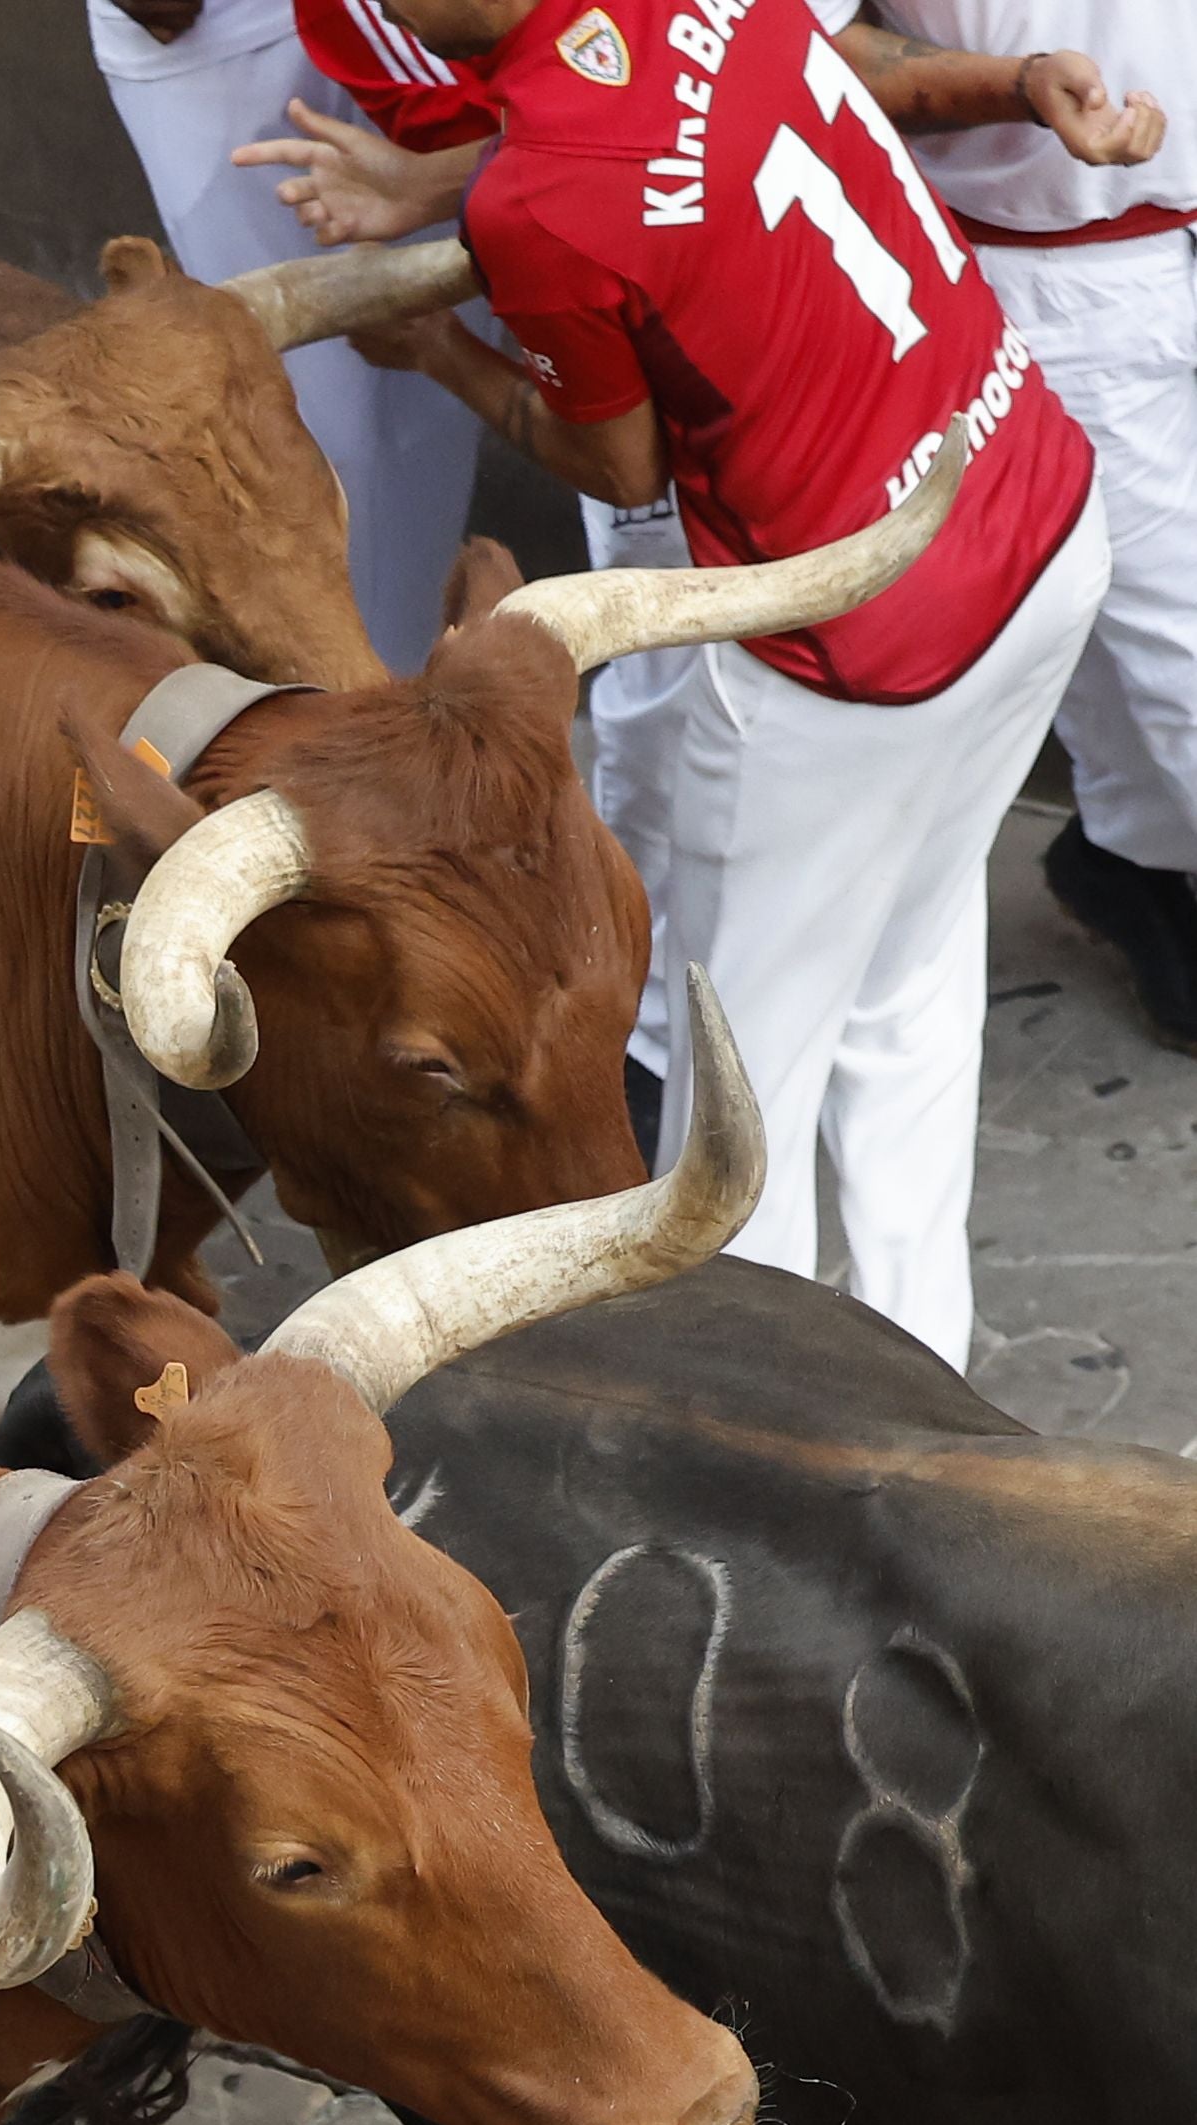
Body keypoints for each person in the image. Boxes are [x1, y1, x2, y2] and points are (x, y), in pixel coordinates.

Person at [240, 0, 1110, 1372]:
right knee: (905, 992)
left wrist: (435, 351)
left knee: (735, 1101)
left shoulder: (537, 204)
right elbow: (837, 67)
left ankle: (754, 1442)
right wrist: (1011, 81)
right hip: (1032, 507)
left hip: (850, 649)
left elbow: (616, 470)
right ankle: (919, 1380)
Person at [830, 6, 1197, 1056]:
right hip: (1058, 257)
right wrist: (1019, 81)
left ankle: (1131, 855)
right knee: (1174, 637)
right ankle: (1134, 856)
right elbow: (807, 42)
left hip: (1131, 239)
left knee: (1140, 618)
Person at [85, 0, 484, 669]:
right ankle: (356, 718)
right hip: (226, 37)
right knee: (315, 433)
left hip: (410, 32)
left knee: (433, 399)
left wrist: (431, 181)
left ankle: (393, 707)